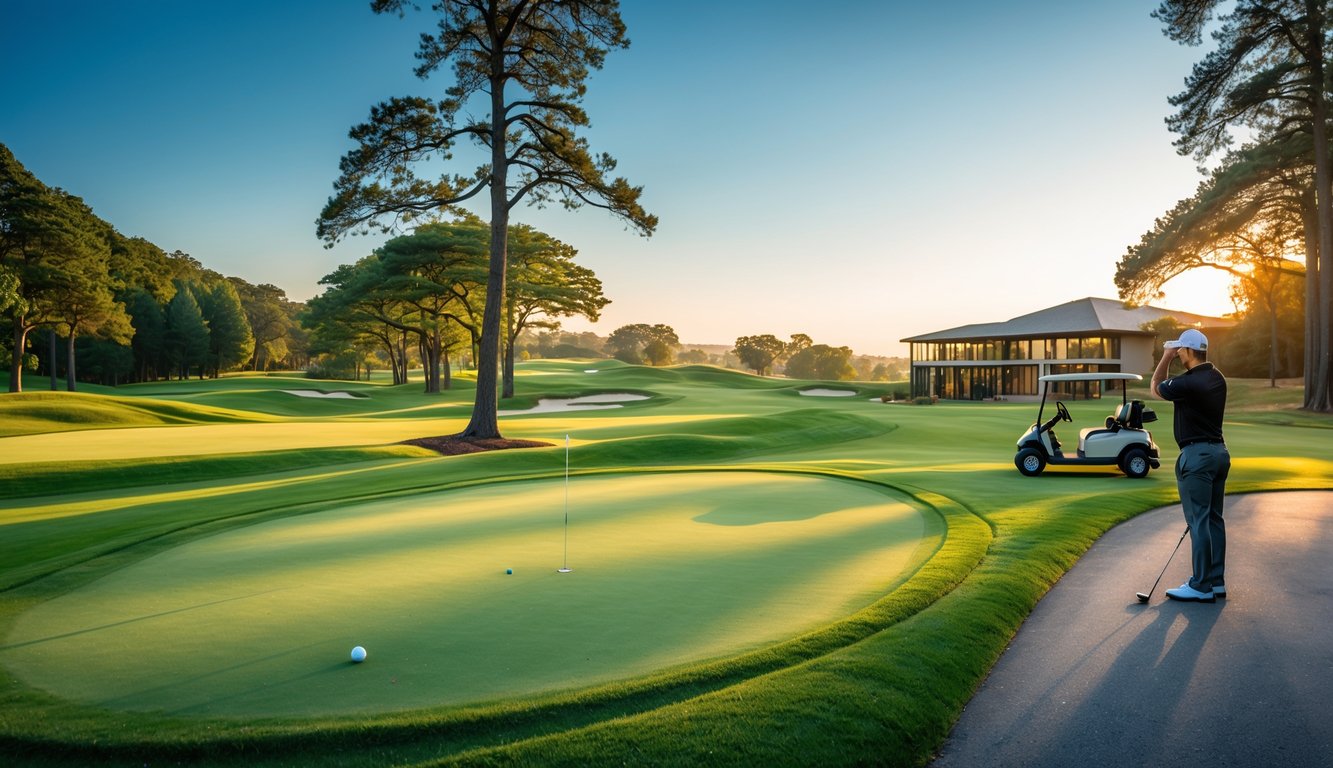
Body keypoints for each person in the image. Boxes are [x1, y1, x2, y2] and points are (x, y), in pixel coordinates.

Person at [1150, 328, 1230, 603]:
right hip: (1219, 453)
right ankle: (1215, 581)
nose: (1178, 353)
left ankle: (1200, 585)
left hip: (1197, 456)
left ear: (1186, 351)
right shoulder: (1216, 377)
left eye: (1180, 350)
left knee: (1198, 521)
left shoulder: (1189, 382)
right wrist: (1176, 354)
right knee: (1213, 519)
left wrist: (1166, 357)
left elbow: (1156, 387)